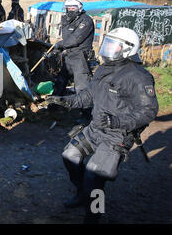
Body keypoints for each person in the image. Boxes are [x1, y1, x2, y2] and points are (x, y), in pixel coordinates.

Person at [46, 27, 158, 223]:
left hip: (117, 135)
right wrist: (67, 101)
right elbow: (89, 94)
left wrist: (116, 121)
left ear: (127, 49)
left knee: (94, 178)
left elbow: (148, 111)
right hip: (95, 128)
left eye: (113, 45)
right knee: (69, 156)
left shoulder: (139, 77)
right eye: (107, 43)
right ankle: (82, 195)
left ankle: (93, 216)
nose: (107, 48)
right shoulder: (105, 68)